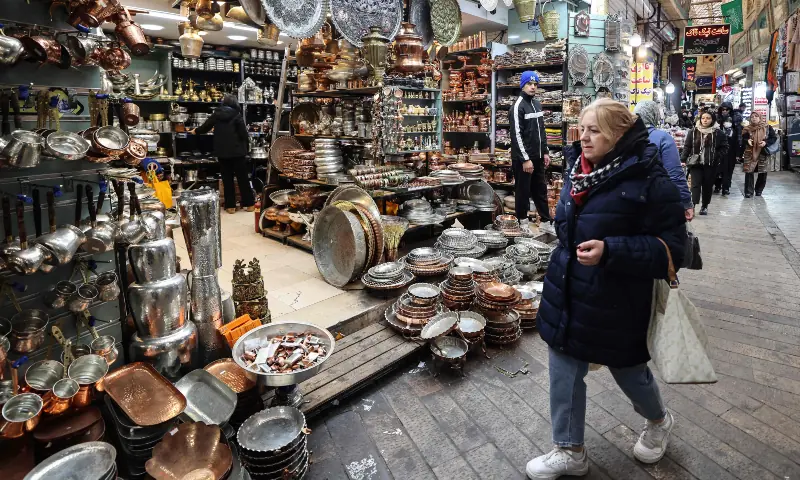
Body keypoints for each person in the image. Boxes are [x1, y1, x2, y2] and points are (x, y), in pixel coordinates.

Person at [528, 98, 686, 479]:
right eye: (582, 129)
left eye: (594, 130)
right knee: (563, 366)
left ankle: (658, 420)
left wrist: (611, 251)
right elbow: (565, 222)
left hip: (617, 298)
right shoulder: (577, 169)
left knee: (628, 371)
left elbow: (673, 249)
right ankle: (569, 449)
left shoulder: (647, 176)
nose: (583, 137)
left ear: (618, 134)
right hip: (567, 287)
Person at [191, 94, 255, 214]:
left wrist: (196, 131)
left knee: (227, 179)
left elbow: (205, 127)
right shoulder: (237, 115)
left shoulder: (216, 114)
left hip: (223, 153)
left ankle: (230, 206)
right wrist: (246, 148)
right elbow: (244, 134)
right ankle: (249, 204)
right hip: (238, 152)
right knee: (242, 178)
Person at [633, 100, 694, 220]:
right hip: (655, 201)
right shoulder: (662, 138)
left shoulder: (623, 136)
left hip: (627, 201)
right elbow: (674, 173)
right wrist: (686, 202)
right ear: (655, 115)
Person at [509, 70, 551, 224]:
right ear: (522, 85)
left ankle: (546, 222)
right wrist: (525, 159)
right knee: (523, 192)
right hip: (523, 159)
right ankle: (522, 222)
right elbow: (516, 135)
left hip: (538, 156)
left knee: (541, 190)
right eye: (529, 84)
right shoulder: (517, 107)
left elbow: (542, 130)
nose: (533, 87)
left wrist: (545, 151)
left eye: (535, 84)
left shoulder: (537, 104)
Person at [680, 111, 727, 215]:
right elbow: (687, 146)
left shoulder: (718, 133)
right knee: (695, 185)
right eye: (703, 118)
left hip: (710, 164)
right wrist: (683, 160)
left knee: (707, 185)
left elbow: (725, 147)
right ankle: (693, 205)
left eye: (708, 118)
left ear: (712, 120)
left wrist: (716, 156)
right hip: (695, 163)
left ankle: (704, 206)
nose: (705, 120)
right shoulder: (693, 132)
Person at [742, 111, 777, 197]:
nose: (754, 118)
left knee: (763, 172)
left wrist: (765, 142)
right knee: (749, 171)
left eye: (756, 116)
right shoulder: (747, 128)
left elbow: (773, 138)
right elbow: (743, 139)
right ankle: (748, 192)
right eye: (752, 117)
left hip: (763, 152)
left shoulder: (767, 127)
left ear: (760, 117)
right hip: (750, 153)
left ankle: (759, 190)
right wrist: (747, 141)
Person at [714, 102, 742, 195]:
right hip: (719, 148)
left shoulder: (735, 122)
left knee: (729, 169)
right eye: (723, 109)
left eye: (727, 109)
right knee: (718, 168)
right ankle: (717, 185)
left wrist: (738, 152)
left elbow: (738, 137)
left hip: (731, 149)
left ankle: (726, 187)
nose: (725, 111)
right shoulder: (717, 120)